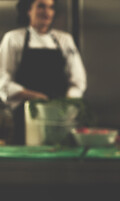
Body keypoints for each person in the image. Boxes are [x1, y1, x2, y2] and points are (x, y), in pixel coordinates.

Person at [0, 0, 86, 144]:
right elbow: (3, 80)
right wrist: (36, 97)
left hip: (60, 117)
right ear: (28, 10)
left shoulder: (64, 40)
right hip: (25, 116)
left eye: (51, 7)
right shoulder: (13, 38)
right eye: (41, 6)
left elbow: (78, 81)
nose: (47, 12)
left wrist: (65, 105)